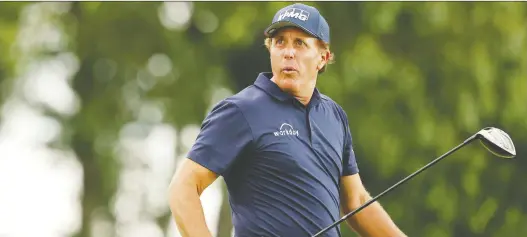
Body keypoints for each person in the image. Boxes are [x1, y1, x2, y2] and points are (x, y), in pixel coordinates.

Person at [169, 3, 406, 237]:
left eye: (300, 43)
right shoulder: (241, 110)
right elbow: (184, 187)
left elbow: (356, 201)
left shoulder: (334, 116)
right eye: (280, 41)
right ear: (270, 49)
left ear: (322, 57)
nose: (288, 52)